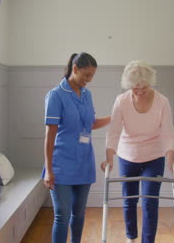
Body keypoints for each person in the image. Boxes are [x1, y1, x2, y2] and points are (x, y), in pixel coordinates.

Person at [101, 60, 174, 243]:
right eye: (134, 89)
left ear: (150, 83)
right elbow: (113, 131)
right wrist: (109, 159)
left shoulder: (162, 102)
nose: (138, 92)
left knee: (150, 203)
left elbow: (168, 132)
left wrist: (171, 159)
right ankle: (131, 237)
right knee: (129, 201)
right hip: (127, 156)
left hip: (154, 156)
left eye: (143, 88)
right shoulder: (121, 101)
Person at [43, 52, 111, 243]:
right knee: (62, 215)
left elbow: (90, 123)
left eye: (92, 76)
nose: (89, 80)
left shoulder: (87, 95)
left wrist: (115, 117)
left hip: (84, 163)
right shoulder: (56, 95)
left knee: (79, 213)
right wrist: (48, 170)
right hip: (61, 165)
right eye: (86, 75)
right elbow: (50, 135)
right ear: (75, 69)